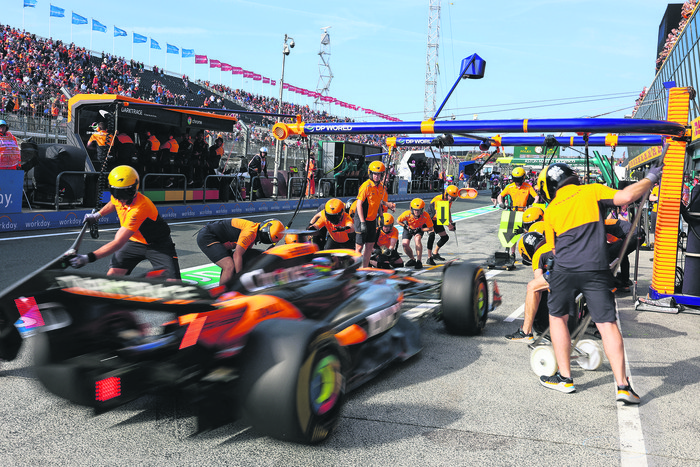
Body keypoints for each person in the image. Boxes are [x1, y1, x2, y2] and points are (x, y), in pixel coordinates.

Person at [536, 162, 662, 404]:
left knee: (558, 318)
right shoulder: (591, 190)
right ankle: (623, 387)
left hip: (563, 269)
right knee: (606, 324)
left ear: (551, 187)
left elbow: (552, 248)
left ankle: (565, 378)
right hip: (595, 267)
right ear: (572, 176)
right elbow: (627, 196)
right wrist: (650, 178)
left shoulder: (551, 209)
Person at [70, 165, 181, 279]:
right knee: (112, 277)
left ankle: (150, 277)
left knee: (174, 285)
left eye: (125, 193)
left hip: (158, 245)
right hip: (133, 242)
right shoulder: (117, 196)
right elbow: (113, 203)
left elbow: (118, 242)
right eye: (116, 192)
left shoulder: (140, 208)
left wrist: (88, 258)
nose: (121, 199)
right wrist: (97, 215)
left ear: (134, 188)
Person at [196, 218, 285, 288]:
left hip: (221, 240)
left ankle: (228, 288)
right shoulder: (250, 232)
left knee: (234, 264)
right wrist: (240, 278)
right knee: (228, 265)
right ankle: (221, 296)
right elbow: (237, 254)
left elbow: (244, 255)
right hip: (208, 237)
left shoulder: (254, 232)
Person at [505, 231, 551, 342]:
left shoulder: (538, 254)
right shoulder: (550, 243)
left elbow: (538, 283)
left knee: (533, 287)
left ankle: (526, 332)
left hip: (567, 273)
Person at [355, 161, 396, 268]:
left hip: (372, 220)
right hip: (362, 219)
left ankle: (364, 268)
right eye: (375, 174)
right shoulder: (366, 186)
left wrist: (381, 216)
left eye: (379, 174)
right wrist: (362, 222)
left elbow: (377, 202)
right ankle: (355, 270)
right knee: (359, 247)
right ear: (370, 173)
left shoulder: (381, 188)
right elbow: (358, 204)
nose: (377, 176)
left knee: (369, 246)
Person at [397, 198, 434, 270]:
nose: (417, 212)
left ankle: (419, 261)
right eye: (415, 210)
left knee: (417, 239)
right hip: (409, 228)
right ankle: (412, 259)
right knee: (405, 244)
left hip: (419, 229)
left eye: (419, 210)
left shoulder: (425, 215)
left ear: (422, 209)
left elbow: (431, 228)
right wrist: (406, 226)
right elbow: (398, 221)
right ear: (411, 209)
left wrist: (421, 229)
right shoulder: (407, 214)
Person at [426, 185, 458, 265]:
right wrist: (449, 225)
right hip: (429, 219)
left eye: (454, 198)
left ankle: (435, 253)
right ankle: (429, 258)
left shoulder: (448, 200)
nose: (451, 199)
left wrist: (451, 221)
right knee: (432, 235)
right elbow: (440, 216)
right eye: (450, 197)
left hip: (436, 219)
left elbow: (448, 210)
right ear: (446, 194)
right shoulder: (438, 200)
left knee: (445, 237)